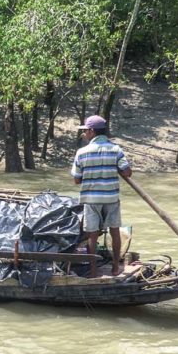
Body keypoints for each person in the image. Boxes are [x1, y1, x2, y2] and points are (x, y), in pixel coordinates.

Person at [71, 115, 132, 277]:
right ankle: (115, 268)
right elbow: (127, 172)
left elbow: (77, 180)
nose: (84, 134)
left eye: (85, 131)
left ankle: (93, 271)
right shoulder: (115, 150)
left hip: (91, 199)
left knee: (92, 234)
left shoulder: (82, 152)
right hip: (111, 197)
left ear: (92, 131)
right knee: (114, 231)